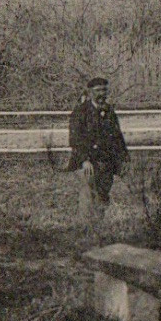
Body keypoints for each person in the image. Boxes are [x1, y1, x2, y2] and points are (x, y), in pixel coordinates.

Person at [65, 77, 129, 222]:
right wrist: (84, 160)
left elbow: (117, 136)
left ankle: (99, 226)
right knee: (88, 191)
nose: (102, 94)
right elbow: (75, 139)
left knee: (103, 193)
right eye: (98, 90)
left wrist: (124, 158)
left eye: (104, 90)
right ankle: (86, 225)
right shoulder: (81, 111)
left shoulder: (109, 111)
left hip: (106, 161)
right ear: (90, 92)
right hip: (86, 162)